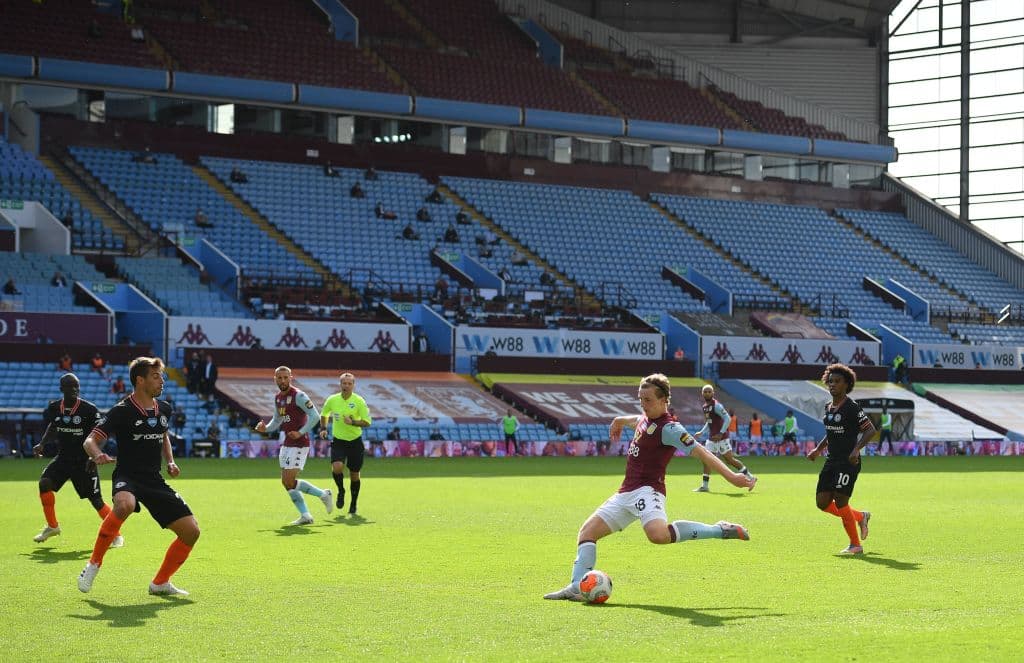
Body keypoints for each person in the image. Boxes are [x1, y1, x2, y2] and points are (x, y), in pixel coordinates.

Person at [544, 373, 756, 601]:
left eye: (648, 400)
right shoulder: (647, 418)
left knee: (658, 535)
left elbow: (702, 452)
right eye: (640, 399)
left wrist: (732, 477)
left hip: (649, 490)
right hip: (625, 492)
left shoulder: (671, 428)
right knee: (587, 532)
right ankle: (577, 586)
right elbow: (639, 420)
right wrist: (620, 420)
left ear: (664, 400)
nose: (643, 405)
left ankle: (719, 529)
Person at [77, 357, 199, 596]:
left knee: (191, 532)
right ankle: (93, 564)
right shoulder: (121, 411)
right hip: (128, 476)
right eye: (156, 376)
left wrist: (171, 461)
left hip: (154, 480)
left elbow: (163, 435)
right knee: (125, 504)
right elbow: (90, 440)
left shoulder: (164, 408)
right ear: (140, 380)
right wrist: (97, 454)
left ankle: (160, 583)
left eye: (161, 376)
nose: (162, 381)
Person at [32, 374, 123, 548]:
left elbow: (101, 435)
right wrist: (42, 443)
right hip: (64, 458)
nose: (74, 389)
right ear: (61, 389)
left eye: (76, 386)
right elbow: (53, 425)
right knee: (44, 483)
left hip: (84, 461)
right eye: (70, 386)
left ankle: (116, 534)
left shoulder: (89, 409)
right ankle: (52, 526)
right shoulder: (54, 408)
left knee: (96, 501)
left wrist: (94, 455)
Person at [806, 363, 875, 555]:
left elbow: (870, 430)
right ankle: (861, 516)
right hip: (831, 461)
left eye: (837, 381)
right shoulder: (829, 407)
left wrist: (856, 449)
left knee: (840, 501)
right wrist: (818, 450)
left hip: (848, 462)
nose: (832, 385)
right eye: (830, 381)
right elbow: (831, 433)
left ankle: (855, 545)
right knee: (822, 503)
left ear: (847, 384)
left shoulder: (852, 407)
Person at [254, 366, 332, 525]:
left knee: (290, 479)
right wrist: (265, 429)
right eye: (279, 378)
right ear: (274, 379)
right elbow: (277, 420)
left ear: (291, 378)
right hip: (288, 443)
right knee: (286, 482)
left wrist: (301, 432)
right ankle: (306, 515)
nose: (282, 380)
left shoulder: (299, 396)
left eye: (285, 377)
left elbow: (315, 416)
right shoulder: (277, 398)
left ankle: (323, 494)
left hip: (300, 443)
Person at [319, 372, 372, 515]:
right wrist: (323, 428)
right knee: (337, 467)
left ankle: (353, 503)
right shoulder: (332, 400)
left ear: (353, 385)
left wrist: (353, 422)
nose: (346, 386)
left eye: (349, 383)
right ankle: (341, 491)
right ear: (340, 384)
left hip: (355, 442)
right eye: (344, 383)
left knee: (354, 474)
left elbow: (367, 422)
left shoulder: (359, 401)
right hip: (339, 441)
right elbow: (324, 414)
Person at [693, 385, 754, 492]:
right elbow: (709, 421)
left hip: (722, 439)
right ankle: (705, 486)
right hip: (712, 438)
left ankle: (751, 477)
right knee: (706, 460)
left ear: (713, 393)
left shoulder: (717, 405)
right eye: (705, 392)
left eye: (709, 391)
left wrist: (721, 433)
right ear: (702, 393)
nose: (707, 393)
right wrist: (701, 432)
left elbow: (727, 419)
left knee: (730, 460)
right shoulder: (705, 406)